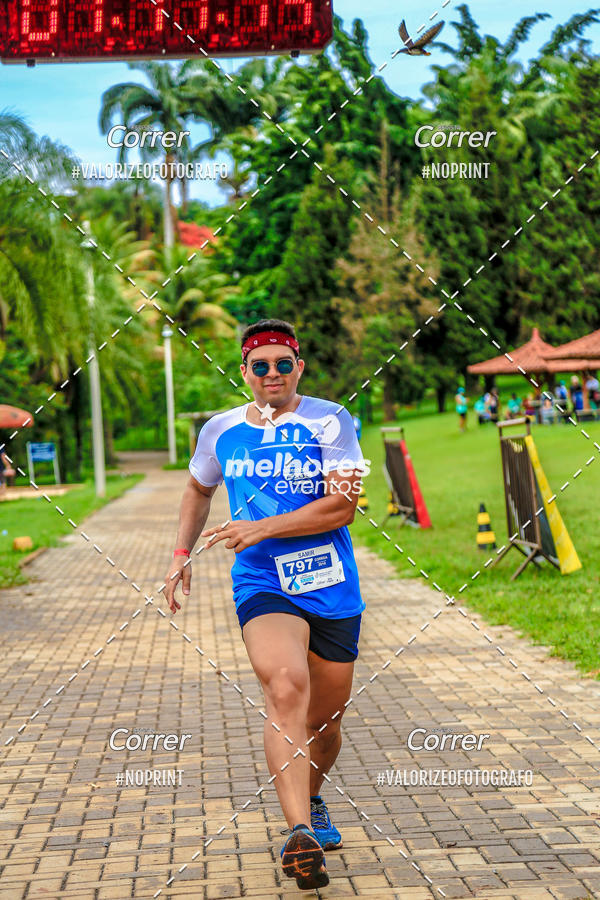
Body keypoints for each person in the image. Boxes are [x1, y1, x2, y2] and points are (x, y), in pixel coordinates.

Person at [163, 319, 366, 891]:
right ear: (245, 371)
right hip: (262, 584)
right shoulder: (220, 431)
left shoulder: (330, 419)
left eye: (283, 364)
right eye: (260, 365)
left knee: (325, 722)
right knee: (285, 688)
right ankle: (299, 833)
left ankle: (314, 797)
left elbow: (343, 506)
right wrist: (181, 552)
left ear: (299, 367)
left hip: (331, 585)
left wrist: (264, 525)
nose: (272, 374)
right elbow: (199, 489)